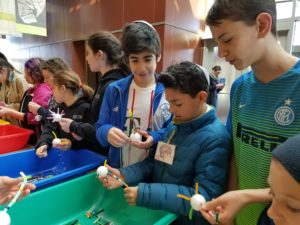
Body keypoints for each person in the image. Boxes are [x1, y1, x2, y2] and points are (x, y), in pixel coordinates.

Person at [200, 1, 300, 225]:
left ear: (262, 25)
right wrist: (230, 207)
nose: (222, 52)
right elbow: (236, 156)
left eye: (227, 40)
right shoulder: (240, 87)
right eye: (217, 43)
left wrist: (246, 197)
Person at [99, 61, 231, 225]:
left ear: (201, 97)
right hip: (163, 217)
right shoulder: (174, 126)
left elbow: (203, 197)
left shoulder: (215, 138)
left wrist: (146, 194)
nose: (171, 110)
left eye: (178, 103)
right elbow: (156, 163)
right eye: (169, 102)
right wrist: (124, 174)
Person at [96, 20, 171, 168]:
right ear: (127, 60)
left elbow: (176, 133)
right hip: (120, 172)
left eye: (148, 59)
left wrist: (155, 137)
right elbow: (99, 127)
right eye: (134, 60)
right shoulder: (114, 90)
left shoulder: (170, 91)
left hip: (155, 175)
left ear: (158, 56)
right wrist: (107, 132)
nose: (142, 68)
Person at [59, 31, 129, 155]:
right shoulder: (106, 82)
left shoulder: (112, 86)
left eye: (88, 53)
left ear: (100, 54)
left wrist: (74, 126)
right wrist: (81, 134)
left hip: (109, 156)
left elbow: (106, 131)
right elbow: (98, 126)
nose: (86, 58)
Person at [35, 70, 94, 158]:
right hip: (66, 158)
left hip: (84, 160)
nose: (51, 93)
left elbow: (92, 138)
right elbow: (50, 130)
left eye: (53, 88)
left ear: (62, 88)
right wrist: (44, 143)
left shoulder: (86, 108)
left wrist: (72, 144)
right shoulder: (57, 108)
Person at [0, 58, 52, 144]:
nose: (24, 76)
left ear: (36, 74)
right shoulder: (32, 89)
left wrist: (9, 111)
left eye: (27, 74)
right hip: (28, 132)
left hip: (39, 137)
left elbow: (35, 118)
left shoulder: (42, 90)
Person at [0, 58, 28, 125]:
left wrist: (7, 106)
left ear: (3, 70)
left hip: (19, 123)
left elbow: (25, 106)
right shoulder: (4, 81)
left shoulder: (20, 80)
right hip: (7, 121)